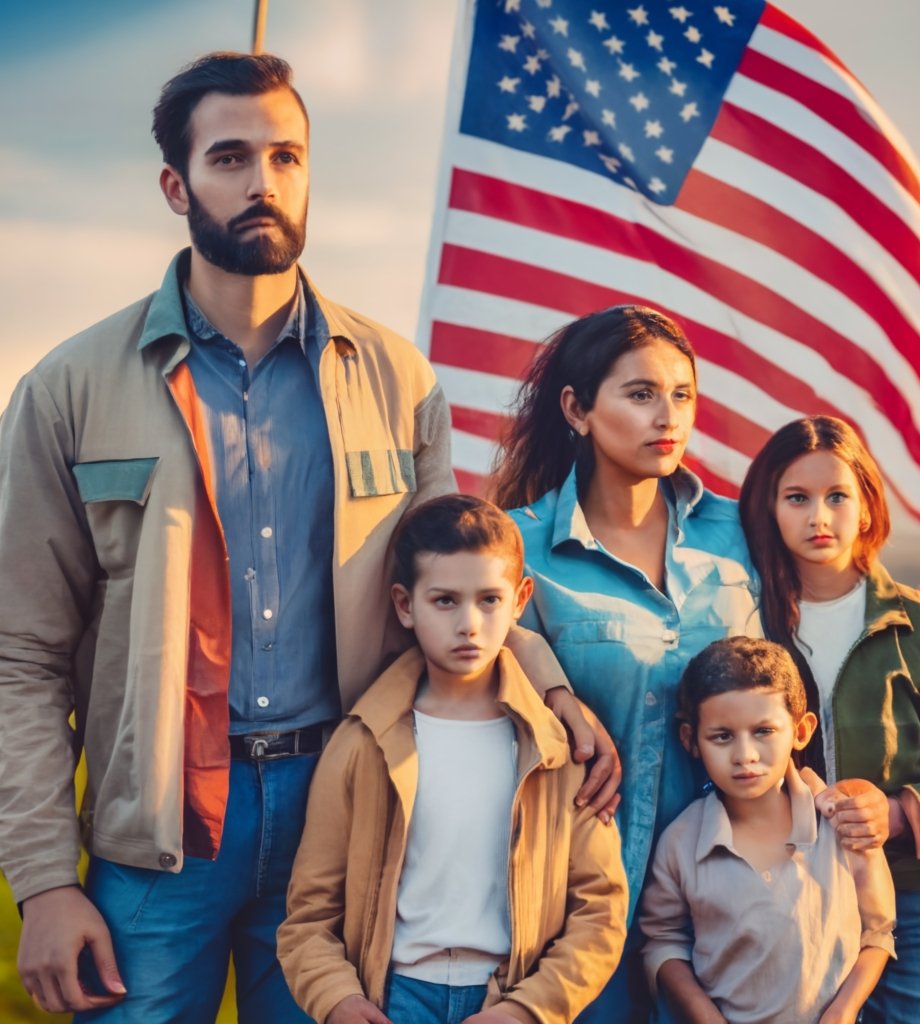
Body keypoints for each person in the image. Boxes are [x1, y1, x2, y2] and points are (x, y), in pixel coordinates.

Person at [0, 52, 613, 1022]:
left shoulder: (398, 380)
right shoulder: (68, 390)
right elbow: (19, 655)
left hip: (348, 806)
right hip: (159, 837)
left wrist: (549, 686)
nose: (263, 183)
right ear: (176, 185)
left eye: (287, 157)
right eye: (231, 157)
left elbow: (454, 583)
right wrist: (42, 880)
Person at [492, 305, 761, 1022]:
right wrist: (556, 689)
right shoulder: (518, 548)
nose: (667, 416)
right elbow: (460, 656)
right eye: (640, 394)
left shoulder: (742, 533)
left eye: (682, 395)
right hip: (578, 901)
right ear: (577, 409)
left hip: (732, 901)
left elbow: (838, 602)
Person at [277, 495, 628, 1024]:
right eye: (445, 601)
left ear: (519, 600)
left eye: (489, 599)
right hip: (391, 999)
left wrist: (530, 1010)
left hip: (510, 998)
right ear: (405, 605)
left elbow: (600, 912)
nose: (468, 623)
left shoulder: (556, 751)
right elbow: (309, 916)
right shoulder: (361, 745)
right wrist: (337, 999)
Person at [738, 415, 920, 1024]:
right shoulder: (748, 627)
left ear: (865, 507)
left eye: (838, 496)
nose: (819, 517)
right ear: (770, 510)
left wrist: (898, 813)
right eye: (797, 498)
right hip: (798, 898)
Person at [639, 636, 895, 1024]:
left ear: (801, 730)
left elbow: (877, 933)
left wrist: (842, 1013)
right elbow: (662, 941)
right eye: (722, 736)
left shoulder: (843, 825)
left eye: (763, 731)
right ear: (691, 740)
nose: (745, 756)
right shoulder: (680, 843)